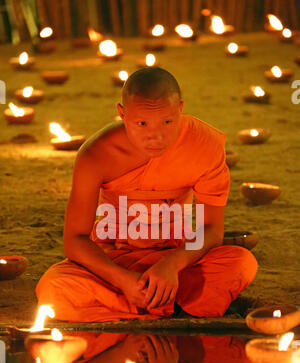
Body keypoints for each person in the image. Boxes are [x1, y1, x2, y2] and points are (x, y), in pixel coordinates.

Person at [36, 67, 258, 322]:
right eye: (142, 123)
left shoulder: (204, 145)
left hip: (175, 257)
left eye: (167, 122)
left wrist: (172, 264)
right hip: (115, 261)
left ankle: (134, 308)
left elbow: (210, 230)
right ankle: (175, 308)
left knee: (240, 262)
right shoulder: (96, 155)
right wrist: (124, 281)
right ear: (122, 114)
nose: (156, 136)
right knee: (53, 288)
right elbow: (75, 240)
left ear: (181, 109)